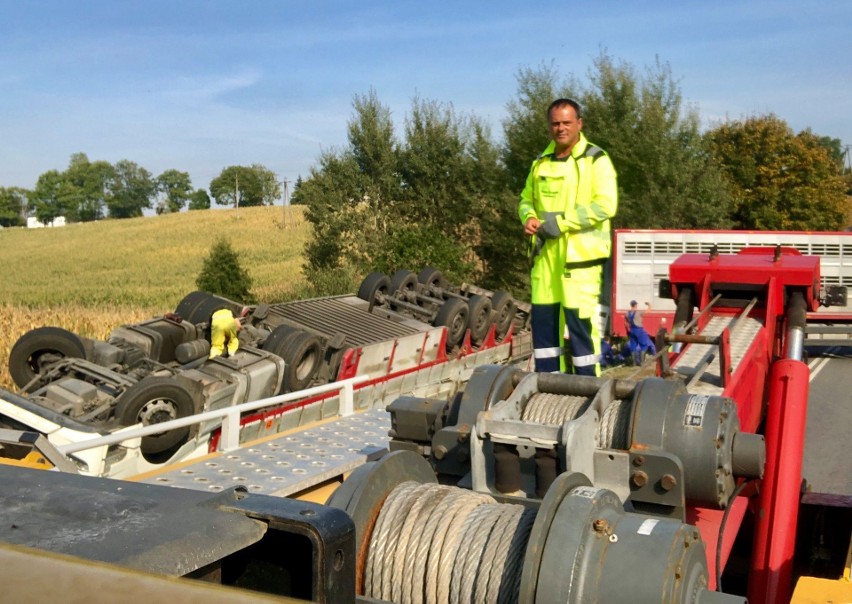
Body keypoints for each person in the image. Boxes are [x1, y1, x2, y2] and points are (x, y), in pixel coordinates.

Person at [519, 98, 618, 375]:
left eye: (566, 122)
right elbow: (526, 200)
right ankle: (547, 390)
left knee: (581, 331)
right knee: (544, 333)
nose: (560, 128)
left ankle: (590, 394)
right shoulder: (540, 162)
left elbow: (605, 206)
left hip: (580, 262)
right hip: (544, 260)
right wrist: (527, 218)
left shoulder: (596, 160)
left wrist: (561, 224)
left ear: (579, 124)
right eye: (555, 123)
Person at [624, 300, 656, 365]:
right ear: (635, 305)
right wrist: (649, 305)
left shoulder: (627, 313)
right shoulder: (639, 313)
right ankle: (642, 362)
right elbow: (648, 311)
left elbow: (625, 323)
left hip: (632, 330)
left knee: (633, 346)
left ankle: (634, 363)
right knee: (644, 345)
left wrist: (628, 329)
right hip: (639, 330)